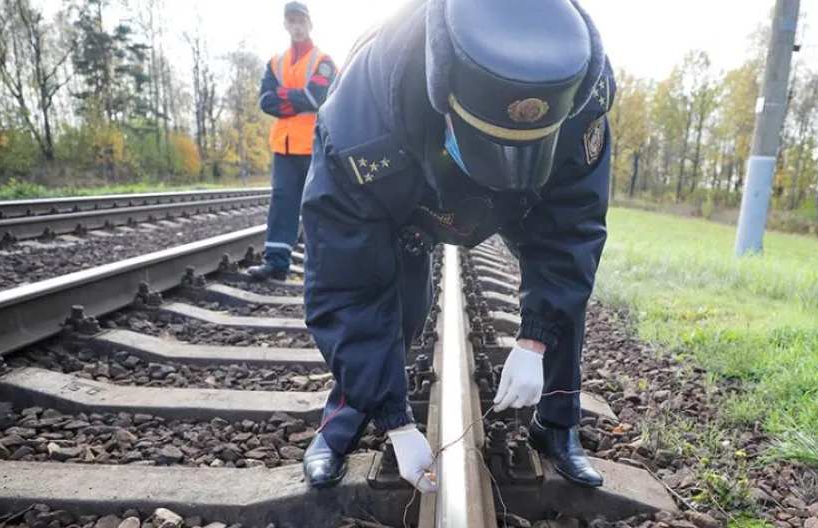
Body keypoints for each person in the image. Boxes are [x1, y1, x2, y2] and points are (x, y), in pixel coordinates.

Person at [300, 0, 616, 493]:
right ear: (442, 96)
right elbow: (348, 284)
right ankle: (342, 424)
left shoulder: (582, 95)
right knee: (396, 300)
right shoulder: (360, 120)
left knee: (561, 298)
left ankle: (558, 422)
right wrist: (399, 422)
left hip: (531, 198)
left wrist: (534, 340)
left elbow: (571, 233)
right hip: (414, 187)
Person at [249, 1, 337, 280]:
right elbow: (265, 101)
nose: (297, 26)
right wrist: (295, 98)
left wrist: (282, 95)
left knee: (319, 206)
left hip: (314, 144)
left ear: (310, 24)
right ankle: (276, 263)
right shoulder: (275, 62)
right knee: (282, 204)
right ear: (285, 25)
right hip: (284, 146)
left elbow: (317, 97)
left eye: (302, 21)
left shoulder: (323, 62)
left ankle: (324, 268)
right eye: (292, 21)